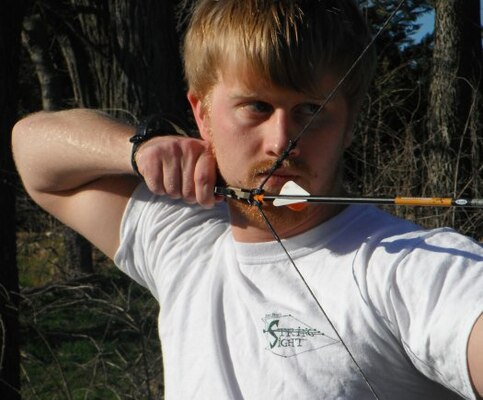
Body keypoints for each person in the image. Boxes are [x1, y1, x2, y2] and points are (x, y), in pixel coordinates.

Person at [12, 0, 483, 399]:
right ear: (202, 113)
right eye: (257, 106)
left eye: (311, 111)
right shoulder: (183, 238)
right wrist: (138, 149)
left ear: (350, 123)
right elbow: (34, 153)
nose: (282, 141)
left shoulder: (408, 266)